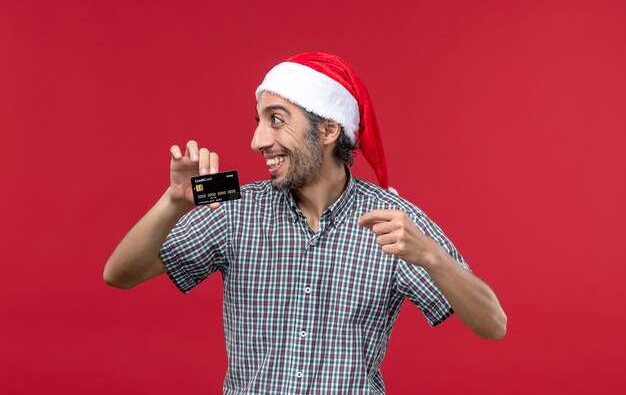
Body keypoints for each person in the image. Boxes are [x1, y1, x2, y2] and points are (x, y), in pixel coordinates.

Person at [104, 52, 507, 394]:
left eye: (276, 120)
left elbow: (494, 326)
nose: (258, 140)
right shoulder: (232, 203)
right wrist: (173, 201)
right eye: (258, 120)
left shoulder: (392, 218)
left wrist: (434, 259)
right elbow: (119, 274)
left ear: (329, 129)